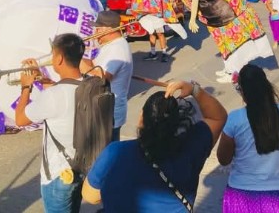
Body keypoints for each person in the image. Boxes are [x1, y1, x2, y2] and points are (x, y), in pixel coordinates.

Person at [82, 78, 228, 212]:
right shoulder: (192, 148)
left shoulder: (115, 152)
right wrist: (194, 89)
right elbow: (218, 117)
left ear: (141, 119)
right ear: (178, 122)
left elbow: (90, 196)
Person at [217, 64, 279, 213]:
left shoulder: (234, 119)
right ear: (267, 87)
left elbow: (223, 159)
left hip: (242, 196)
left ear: (243, 92)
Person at [15, 33, 86, 213]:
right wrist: (41, 76)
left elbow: (20, 119)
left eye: (53, 55)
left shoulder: (54, 96)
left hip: (58, 174)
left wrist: (25, 88)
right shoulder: (88, 84)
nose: (52, 60)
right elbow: (61, 92)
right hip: (82, 167)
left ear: (60, 58)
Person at [84, 10, 133, 142]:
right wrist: (76, 56)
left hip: (109, 112)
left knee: (107, 153)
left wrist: (79, 64)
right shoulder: (111, 45)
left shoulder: (118, 48)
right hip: (104, 109)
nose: (95, 33)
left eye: (98, 29)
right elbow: (95, 65)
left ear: (108, 29)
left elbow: (103, 79)